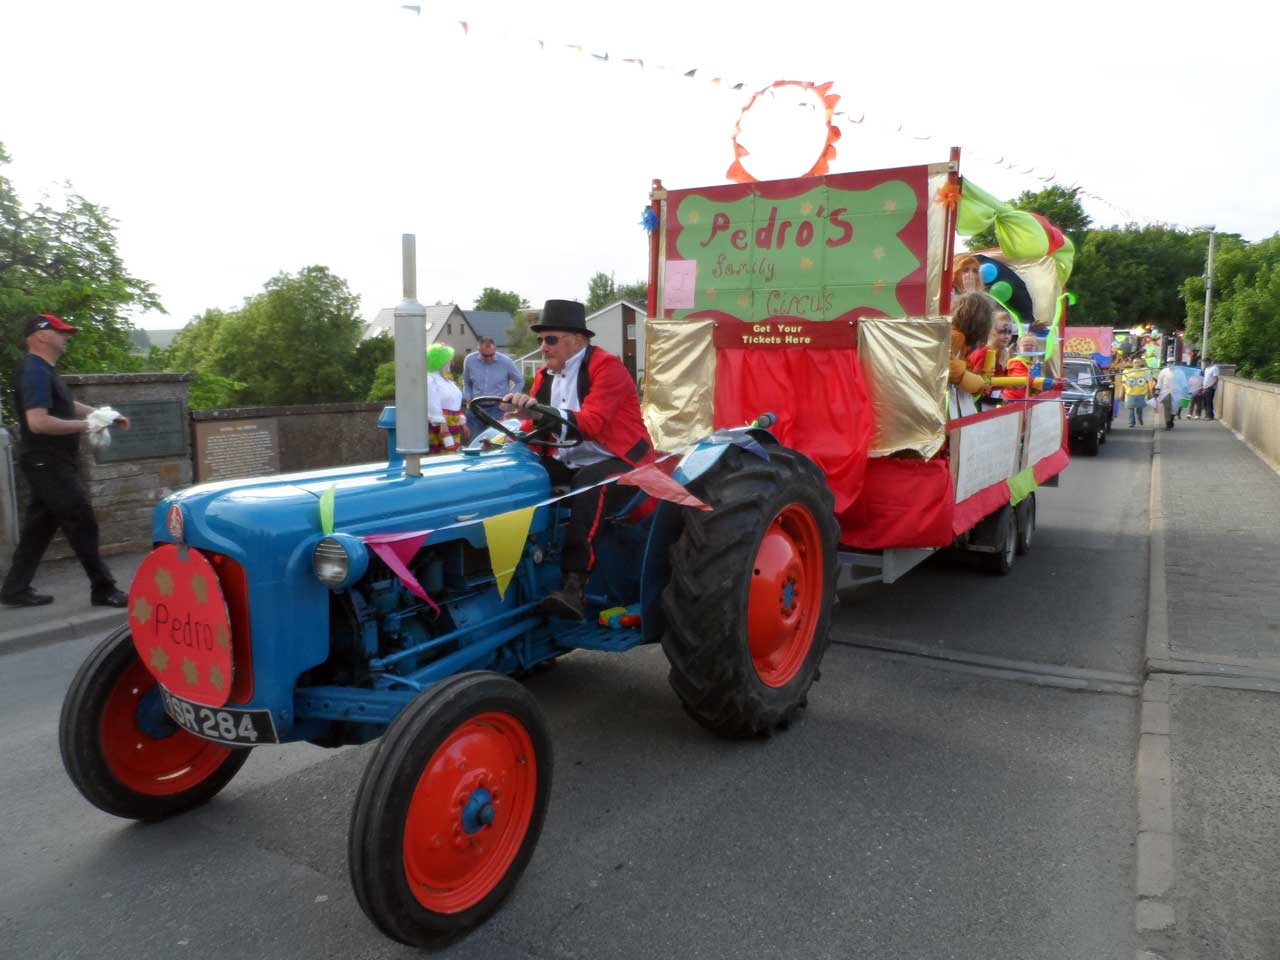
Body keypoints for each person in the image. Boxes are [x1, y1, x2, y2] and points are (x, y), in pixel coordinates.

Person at [502, 300, 655, 620]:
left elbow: (592, 424)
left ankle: (575, 587)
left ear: (577, 339)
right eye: (540, 340)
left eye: (551, 339)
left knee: (589, 484)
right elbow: (536, 426)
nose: (543, 348)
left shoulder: (607, 368)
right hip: (571, 458)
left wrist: (540, 412)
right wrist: (514, 428)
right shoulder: (544, 376)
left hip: (621, 460)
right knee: (517, 475)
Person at [1, 314, 130, 608]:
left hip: (50, 462)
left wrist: (104, 415)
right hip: (47, 462)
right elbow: (38, 422)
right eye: (60, 332)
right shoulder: (34, 371)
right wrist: (89, 426)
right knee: (81, 519)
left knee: (39, 526)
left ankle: (14, 589)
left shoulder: (44, 370)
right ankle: (103, 588)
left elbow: (66, 405)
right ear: (41, 336)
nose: (66, 336)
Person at [463, 336, 522, 438]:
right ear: (479, 351)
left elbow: (520, 381)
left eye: (491, 355)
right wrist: (468, 398)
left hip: (497, 409)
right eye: (485, 355)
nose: (489, 358)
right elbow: (467, 382)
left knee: (495, 442)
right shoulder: (470, 360)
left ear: (495, 350)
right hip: (475, 409)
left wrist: (508, 399)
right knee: (475, 442)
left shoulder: (506, 362)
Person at [948, 292, 995, 418]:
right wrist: (978, 382)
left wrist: (979, 386)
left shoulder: (962, 342)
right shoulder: (956, 336)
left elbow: (964, 373)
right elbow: (950, 369)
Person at [968, 307, 1015, 409]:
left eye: (1009, 332)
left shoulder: (1004, 354)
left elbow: (1002, 383)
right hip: (975, 407)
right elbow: (975, 390)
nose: (1006, 336)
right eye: (1001, 331)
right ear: (989, 331)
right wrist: (997, 401)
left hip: (991, 404)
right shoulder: (983, 354)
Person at [426, 344, 466, 454]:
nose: (451, 363)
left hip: (453, 424)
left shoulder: (446, 379)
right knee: (443, 455)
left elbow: (453, 402)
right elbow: (432, 403)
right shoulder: (430, 379)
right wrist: (442, 424)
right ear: (440, 361)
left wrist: (462, 422)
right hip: (441, 426)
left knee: (452, 455)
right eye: (449, 360)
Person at [1121, 356, 1153, 428]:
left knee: (1139, 409)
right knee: (1131, 409)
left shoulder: (1145, 371)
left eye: (1138, 362)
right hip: (1130, 394)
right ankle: (1131, 422)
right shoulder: (1127, 372)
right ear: (1132, 363)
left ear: (1140, 363)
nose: (1136, 364)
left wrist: (1150, 392)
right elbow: (1123, 384)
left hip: (1141, 394)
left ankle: (1140, 418)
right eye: (1135, 362)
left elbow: (1149, 382)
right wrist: (1121, 394)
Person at [1156, 360, 1176, 430]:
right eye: (1169, 362)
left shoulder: (1178, 371)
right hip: (1166, 392)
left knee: (1174, 408)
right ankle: (1168, 423)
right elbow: (1159, 381)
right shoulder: (1164, 371)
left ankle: (1171, 421)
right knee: (1167, 408)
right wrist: (1157, 389)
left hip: (1176, 392)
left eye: (1172, 362)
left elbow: (1182, 382)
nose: (1170, 364)